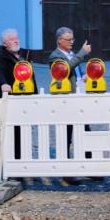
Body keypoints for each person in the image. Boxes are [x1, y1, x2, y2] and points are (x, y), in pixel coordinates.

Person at [0, 29, 38, 159]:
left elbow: (30, 77)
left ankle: (24, 158)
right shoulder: (1, 57)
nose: (16, 40)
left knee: (25, 131)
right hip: (11, 101)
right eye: (12, 39)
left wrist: (35, 94)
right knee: (13, 133)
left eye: (16, 38)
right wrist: (3, 84)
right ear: (5, 43)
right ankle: (13, 160)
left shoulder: (22, 56)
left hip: (25, 100)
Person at [48, 27, 91, 163]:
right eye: (68, 39)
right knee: (66, 132)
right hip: (65, 98)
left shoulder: (71, 53)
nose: (72, 42)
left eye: (72, 39)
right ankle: (66, 168)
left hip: (79, 94)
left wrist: (83, 75)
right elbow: (65, 68)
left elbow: (75, 69)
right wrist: (83, 52)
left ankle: (89, 164)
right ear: (60, 40)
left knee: (85, 130)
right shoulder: (55, 56)